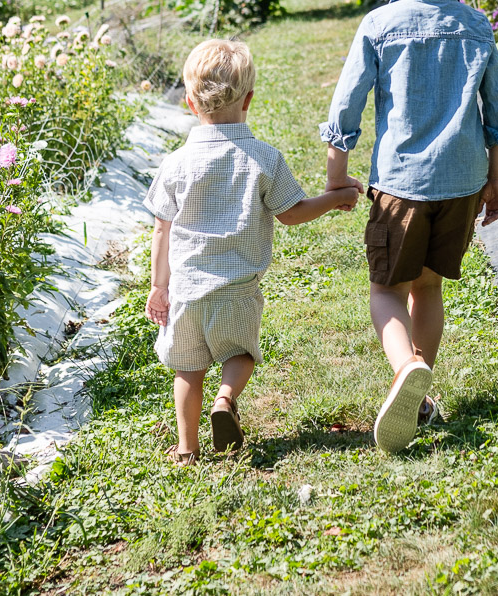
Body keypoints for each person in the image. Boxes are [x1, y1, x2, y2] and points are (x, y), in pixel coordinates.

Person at [320, 0, 498, 452]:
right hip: (461, 184)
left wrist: (338, 175)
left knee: (386, 291)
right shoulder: (476, 26)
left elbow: (346, 107)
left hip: (401, 184)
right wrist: (497, 180)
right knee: (429, 287)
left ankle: (406, 367)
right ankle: (422, 391)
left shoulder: (380, 24)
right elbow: (497, 113)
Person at [144, 37, 360, 462]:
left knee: (188, 370)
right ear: (250, 100)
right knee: (240, 354)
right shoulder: (262, 158)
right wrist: (335, 197)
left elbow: (160, 230)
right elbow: (292, 213)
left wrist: (159, 287)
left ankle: (187, 450)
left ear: (190, 103)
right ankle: (225, 399)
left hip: (186, 291)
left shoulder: (175, 164)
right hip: (237, 290)